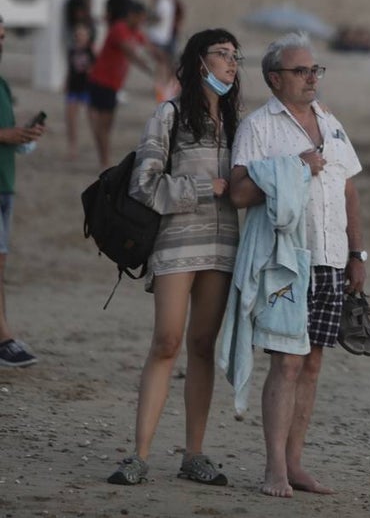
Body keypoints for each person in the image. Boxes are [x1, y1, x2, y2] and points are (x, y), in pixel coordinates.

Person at [228, 33, 365, 498]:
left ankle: (295, 462)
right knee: (285, 362)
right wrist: (295, 167)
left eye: (315, 70)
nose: (312, 78)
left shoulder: (331, 122)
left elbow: (348, 191)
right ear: (274, 79)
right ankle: (274, 470)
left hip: (330, 259)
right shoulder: (258, 127)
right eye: (302, 71)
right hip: (286, 259)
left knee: (312, 363)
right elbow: (239, 194)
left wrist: (356, 255)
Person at [107, 30, 243, 486]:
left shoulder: (238, 121)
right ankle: (139, 455)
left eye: (235, 56)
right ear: (198, 61)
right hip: (177, 244)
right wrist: (206, 188)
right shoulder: (167, 115)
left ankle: (194, 455)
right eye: (221, 54)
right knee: (166, 342)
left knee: (203, 347)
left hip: (223, 249)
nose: (231, 63)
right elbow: (142, 184)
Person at [0, 16, 47, 368]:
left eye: (3, 34)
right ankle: (3, 338)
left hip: (6, 183)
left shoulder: (2, 83)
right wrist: (6, 135)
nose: (2, 39)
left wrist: (23, 137)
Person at [87, 4, 154, 169]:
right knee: (103, 123)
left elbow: (150, 48)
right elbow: (129, 52)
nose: (141, 22)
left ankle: (103, 156)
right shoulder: (120, 28)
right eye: (140, 18)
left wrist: (165, 62)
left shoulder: (135, 32)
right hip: (101, 80)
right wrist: (148, 69)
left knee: (107, 124)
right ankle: (104, 160)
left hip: (114, 83)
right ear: (132, 15)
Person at [64, 23, 95, 159]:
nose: (80, 37)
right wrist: (65, 82)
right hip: (73, 87)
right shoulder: (71, 50)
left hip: (87, 88)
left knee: (93, 119)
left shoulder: (91, 51)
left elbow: (97, 68)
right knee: (70, 118)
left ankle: (96, 144)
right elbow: (70, 69)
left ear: (88, 37)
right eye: (78, 34)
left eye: (82, 34)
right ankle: (72, 147)